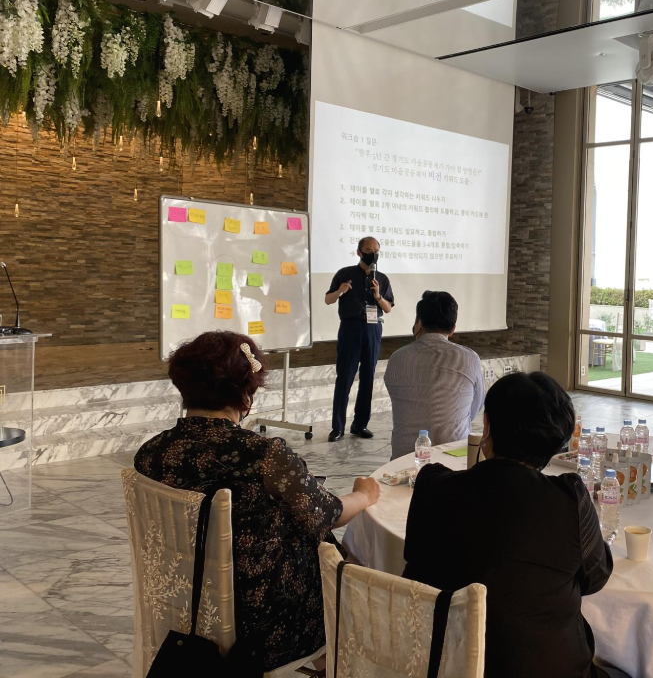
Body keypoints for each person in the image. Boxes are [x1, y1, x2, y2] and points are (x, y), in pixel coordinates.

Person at [135, 331, 381, 672]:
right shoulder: (264, 455)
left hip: (182, 597)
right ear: (245, 395)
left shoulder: (151, 452)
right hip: (259, 624)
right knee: (340, 557)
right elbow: (326, 514)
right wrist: (364, 495)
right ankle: (331, 657)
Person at [403, 372, 622, 678]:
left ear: (487, 426)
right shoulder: (569, 500)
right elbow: (596, 578)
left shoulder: (432, 486)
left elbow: (415, 560)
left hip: (440, 666)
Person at [384, 290, 486, 459]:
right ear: (452, 329)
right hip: (453, 459)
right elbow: (474, 407)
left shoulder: (398, 358)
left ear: (419, 323)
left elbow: (398, 398)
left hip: (405, 461)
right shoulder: (470, 358)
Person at [325, 236, 394, 441]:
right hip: (350, 328)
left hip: (373, 329)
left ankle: (360, 425)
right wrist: (341, 290)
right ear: (359, 252)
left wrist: (378, 296)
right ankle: (338, 427)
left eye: (376, 251)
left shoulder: (382, 279)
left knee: (368, 378)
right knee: (345, 377)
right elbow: (328, 299)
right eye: (369, 250)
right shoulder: (344, 274)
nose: (373, 254)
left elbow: (388, 308)